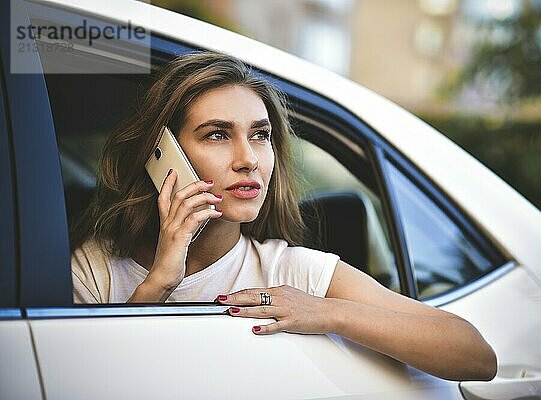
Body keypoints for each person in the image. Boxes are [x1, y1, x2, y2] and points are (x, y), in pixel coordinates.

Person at [70, 51, 497, 382]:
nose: (249, 160)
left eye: (260, 135)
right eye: (217, 135)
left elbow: (476, 355)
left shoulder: (293, 272)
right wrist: (159, 283)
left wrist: (329, 312)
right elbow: (67, 379)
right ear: (161, 157)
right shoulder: (96, 267)